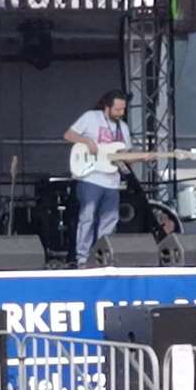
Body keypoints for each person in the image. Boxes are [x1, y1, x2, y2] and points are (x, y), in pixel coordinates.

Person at [64, 90, 132, 267]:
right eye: (117, 109)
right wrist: (87, 141)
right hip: (90, 177)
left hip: (112, 182)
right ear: (107, 107)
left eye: (123, 109)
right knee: (88, 217)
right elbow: (68, 135)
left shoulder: (123, 128)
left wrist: (144, 157)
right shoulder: (91, 117)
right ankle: (82, 258)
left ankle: (102, 257)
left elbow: (124, 155)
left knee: (110, 219)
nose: (121, 113)